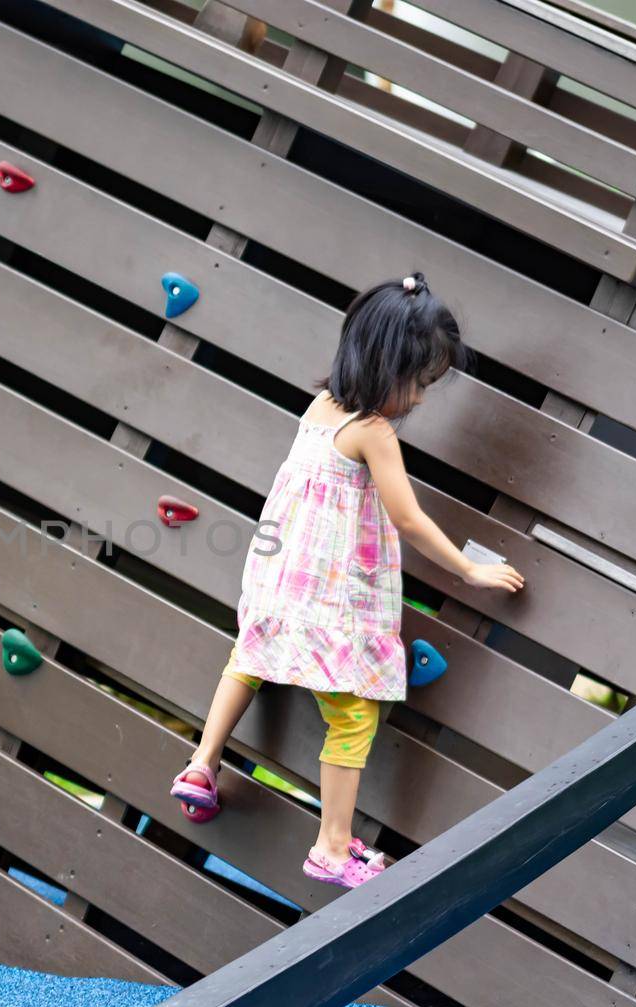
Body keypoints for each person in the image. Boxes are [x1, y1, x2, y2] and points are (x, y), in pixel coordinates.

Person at [168, 271, 525, 888]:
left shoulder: (320, 409)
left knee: (248, 658)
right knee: (355, 716)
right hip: (329, 604)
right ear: (388, 364)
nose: (418, 399)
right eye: (419, 382)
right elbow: (407, 518)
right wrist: (471, 569)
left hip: (279, 584)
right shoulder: (373, 431)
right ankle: (332, 845)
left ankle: (202, 762)